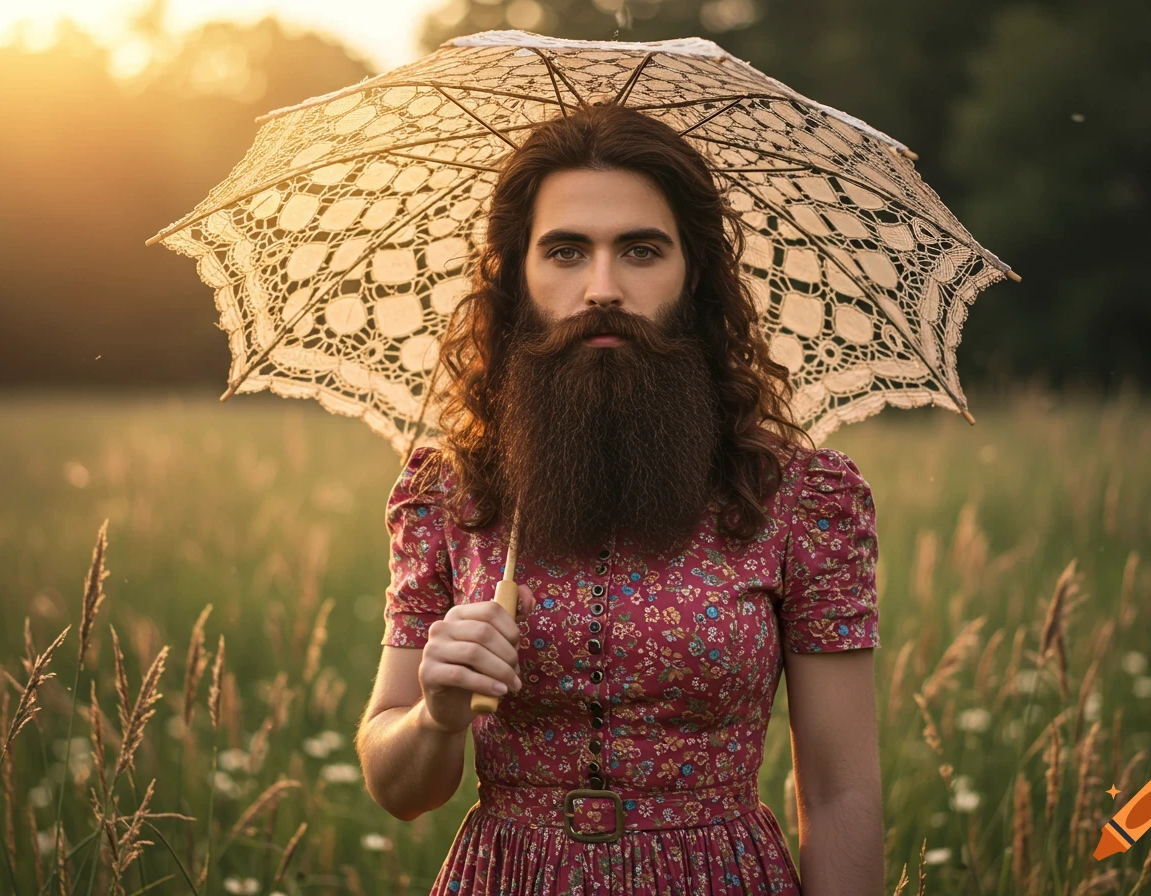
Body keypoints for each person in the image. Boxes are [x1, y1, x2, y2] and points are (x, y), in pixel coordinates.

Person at [355, 100, 883, 895]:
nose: (602, 288)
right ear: (518, 275)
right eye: (565, 251)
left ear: (693, 274)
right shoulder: (450, 496)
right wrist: (437, 714)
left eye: (641, 250)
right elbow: (401, 791)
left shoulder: (800, 501)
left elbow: (842, 793)